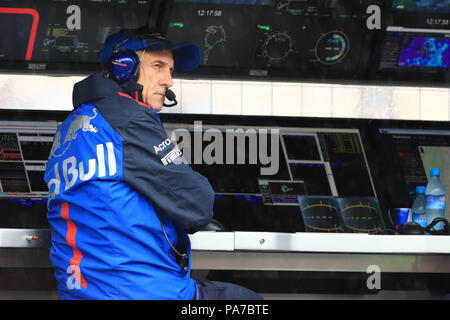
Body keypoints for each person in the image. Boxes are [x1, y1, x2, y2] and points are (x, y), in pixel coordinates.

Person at [44, 27, 262, 300]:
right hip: (139, 291)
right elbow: (197, 205)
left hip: (83, 292)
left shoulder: (71, 126)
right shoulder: (128, 118)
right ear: (123, 68)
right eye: (158, 66)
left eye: (170, 70)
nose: (168, 80)